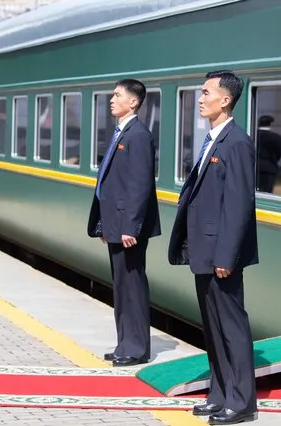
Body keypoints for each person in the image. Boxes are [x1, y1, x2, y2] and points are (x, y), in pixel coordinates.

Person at [168, 70, 259, 425]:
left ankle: (242, 402)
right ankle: (220, 393)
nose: (200, 98)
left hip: (222, 256)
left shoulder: (236, 142)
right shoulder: (212, 140)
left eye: (206, 92)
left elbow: (238, 205)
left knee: (232, 327)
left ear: (226, 100)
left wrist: (226, 256)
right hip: (204, 252)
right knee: (213, 327)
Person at [87, 79, 161, 367]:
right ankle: (124, 344)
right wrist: (106, 224)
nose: (111, 99)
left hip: (129, 226)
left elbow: (140, 185)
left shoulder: (138, 135)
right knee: (121, 285)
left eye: (117, 95)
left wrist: (132, 226)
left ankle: (136, 348)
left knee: (132, 285)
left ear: (134, 102)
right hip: (116, 222)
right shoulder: (121, 132)